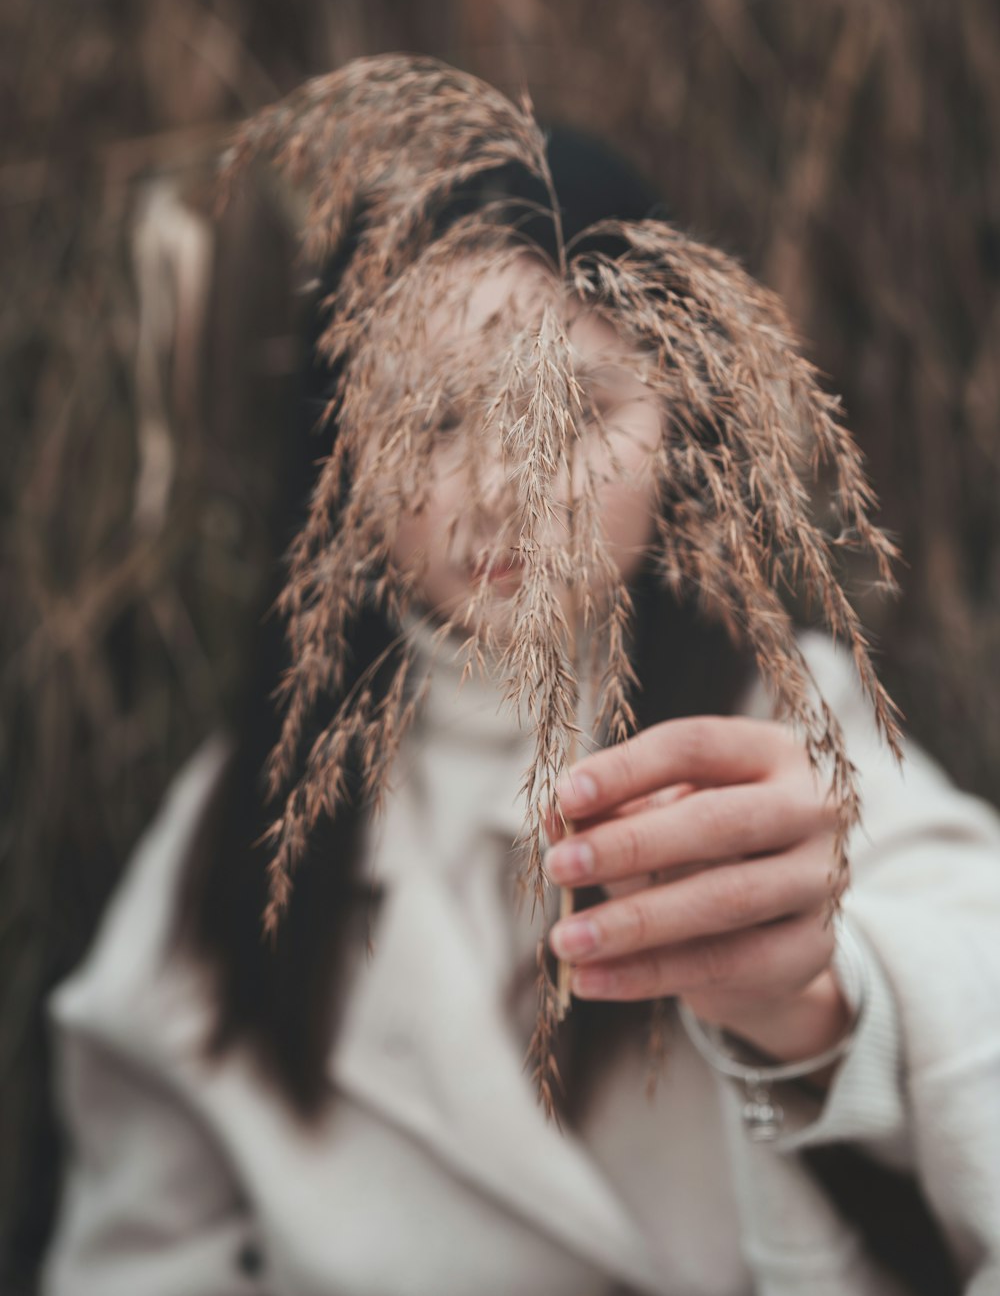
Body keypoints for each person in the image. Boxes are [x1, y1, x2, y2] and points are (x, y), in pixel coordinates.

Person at [41, 99, 1000, 1296]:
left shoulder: (774, 722)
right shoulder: (245, 816)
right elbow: (139, 1247)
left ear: (676, 419)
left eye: (574, 409)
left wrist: (814, 1000)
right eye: (430, 418)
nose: (500, 484)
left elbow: (974, 964)